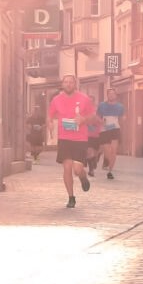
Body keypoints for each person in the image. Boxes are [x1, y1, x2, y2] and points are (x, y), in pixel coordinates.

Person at [48, 73, 95, 207]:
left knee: (77, 168)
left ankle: (83, 177)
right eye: (66, 82)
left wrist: (84, 119)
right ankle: (71, 197)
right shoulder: (56, 99)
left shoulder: (84, 99)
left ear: (75, 84)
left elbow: (93, 116)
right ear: (62, 84)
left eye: (71, 82)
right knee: (67, 168)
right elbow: (50, 115)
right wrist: (50, 123)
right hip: (64, 138)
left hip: (80, 138)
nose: (68, 84)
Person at [95, 89, 125, 179]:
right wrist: (101, 121)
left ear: (116, 95)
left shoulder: (120, 106)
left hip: (115, 129)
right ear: (107, 95)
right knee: (107, 152)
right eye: (109, 94)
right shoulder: (102, 105)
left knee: (114, 151)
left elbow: (122, 117)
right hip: (104, 130)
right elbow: (97, 116)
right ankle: (107, 162)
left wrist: (123, 119)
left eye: (113, 94)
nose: (111, 95)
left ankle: (110, 171)